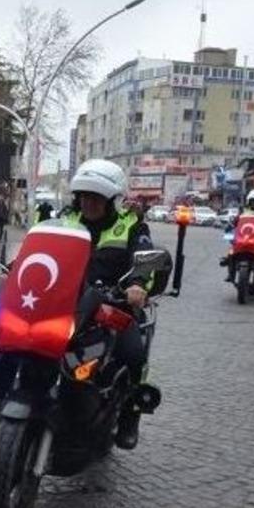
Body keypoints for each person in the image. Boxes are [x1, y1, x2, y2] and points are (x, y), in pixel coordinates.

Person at [62, 159, 155, 450]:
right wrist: (10, 273)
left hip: (111, 306)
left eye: (96, 198)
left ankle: (129, 416)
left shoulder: (131, 226)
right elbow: (36, 251)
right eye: (84, 196)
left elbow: (145, 255)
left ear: (111, 200)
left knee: (133, 353)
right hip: (64, 303)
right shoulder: (65, 221)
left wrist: (138, 284)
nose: (89, 203)